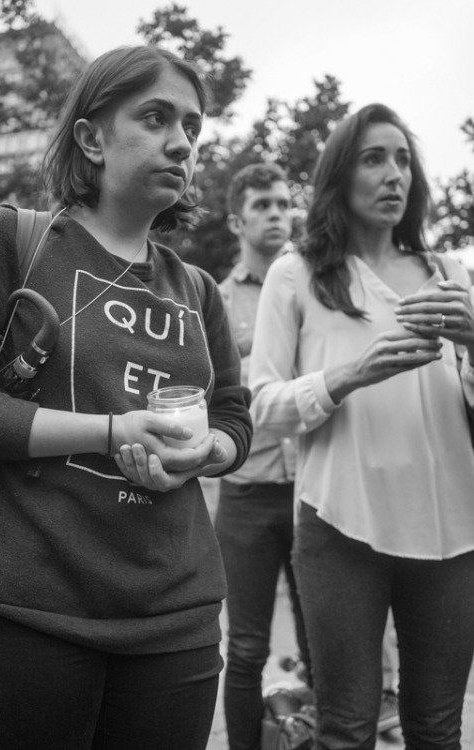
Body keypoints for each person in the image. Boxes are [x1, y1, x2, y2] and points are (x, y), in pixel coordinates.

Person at [0, 45, 252, 750]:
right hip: (26, 615)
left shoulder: (198, 289)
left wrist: (206, 452)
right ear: (91, 137)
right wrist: (112, 430)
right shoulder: (9, 240)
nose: (181, 141)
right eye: (155, 117)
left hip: (178, 623)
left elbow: (233, 420)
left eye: (192, 125)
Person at [249, 102, 474, 749]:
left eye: (403, 159)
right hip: (342, 525)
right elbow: (262, 405)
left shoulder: (450, 273)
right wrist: (347, 375)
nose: (393, 173)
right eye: (374, 158)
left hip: (453, 531)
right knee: (346, 728)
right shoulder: (297, 274)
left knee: (436, 727)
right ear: (340, 175)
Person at [214, 162, 311, 750]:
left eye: (283, 203)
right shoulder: (215, 303)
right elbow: (213, 397)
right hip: (247, 494)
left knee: (323, 639)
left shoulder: (312, 285)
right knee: (246, 649)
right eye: (263, 206)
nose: (278, 214)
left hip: (313, 489)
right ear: (237, 221)